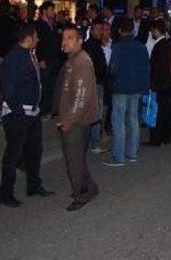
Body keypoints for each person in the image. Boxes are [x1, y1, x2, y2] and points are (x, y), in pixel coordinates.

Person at [0, 24, 54, 207]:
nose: (38, 39)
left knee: (34, 151)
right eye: (36, 36)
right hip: (17, 114)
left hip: (32, 112)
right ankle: (5, 193)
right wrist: (20, 112)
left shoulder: (30, 54)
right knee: (13, 154)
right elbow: (7, 90)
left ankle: (34, 185)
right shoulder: (14, 58)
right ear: (28, 38)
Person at [56, 27, 100, 211]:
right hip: (73, 117)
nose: (65, 41)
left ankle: (81, 194)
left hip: (77, 120)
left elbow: (81, 95)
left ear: (80, 41)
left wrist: (70, 120)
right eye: (63, 38)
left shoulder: (81, 61)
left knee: (74, 159)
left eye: (70, 38)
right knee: (77, 157)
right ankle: (90, 188)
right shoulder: (72, 60)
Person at [104, 18, 150, 166]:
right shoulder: (141, 46)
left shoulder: (117, 47)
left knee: (118, 122)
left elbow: (113, 68)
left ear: (118, 31)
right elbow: (146, 67)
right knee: (133, 120)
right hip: (136, 88)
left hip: (120, 88)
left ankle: (119, 157)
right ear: (133, 30)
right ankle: (132, 153)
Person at [147, 19, 171, 146]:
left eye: (151, 30)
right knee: (166, 111)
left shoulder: (158, 46)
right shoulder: (169, 44)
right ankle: (166, 137)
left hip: (160, 84)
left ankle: (156, 139)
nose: (151, 32)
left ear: (156, 30)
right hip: (169, 83)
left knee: (157, 112)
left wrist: (153, 84)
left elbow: (156, 68)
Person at [82, 20, 108, 154]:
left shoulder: (95, 45)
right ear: (91, 31)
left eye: (101, 29)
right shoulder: (91, 46)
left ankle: (92, 142)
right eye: (97, 29)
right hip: (94, 83)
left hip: (96, 82)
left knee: (93, 113)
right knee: (95, 114)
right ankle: (94, 143)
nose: (99, 32)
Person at [35, 1, 62, 119]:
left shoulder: (53, 25)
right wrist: (40, 59)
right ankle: (42, 109)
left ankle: (50, 109)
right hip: (45, 60)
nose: (53, 12)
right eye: (51, 10)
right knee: (44, 85)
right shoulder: (39, 25)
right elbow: (38, 44)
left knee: (52, 85)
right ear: (45, 11)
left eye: (53, 10)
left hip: (54, 59)